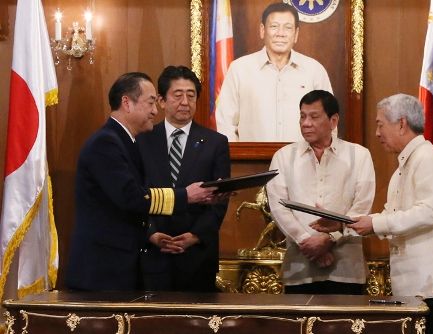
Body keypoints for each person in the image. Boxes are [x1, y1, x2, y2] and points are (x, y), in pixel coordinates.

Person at [333, 94, 433, 334]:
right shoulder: (404, 166)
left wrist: (376, 224)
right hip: (418, 285)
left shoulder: (428, 158)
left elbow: (430, 212)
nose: (377, 133)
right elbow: (390, 217)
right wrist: (340, 225)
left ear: (401, 123)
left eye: (380, 124)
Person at [65, 72, 215, 291]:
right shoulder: (106, 143)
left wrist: (150, 234)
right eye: (151, 102)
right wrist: (186, 196)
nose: (155, 111)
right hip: (102, 272)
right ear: (127, 102)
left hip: (120, 267)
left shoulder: (125, 141)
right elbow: (132, 197)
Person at [266, 90, 375, 294]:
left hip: (345, 269)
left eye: (314, 116)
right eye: (302, 116)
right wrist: (308, 242)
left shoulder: (359, 155)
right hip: (300, 267)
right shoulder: (283, 157)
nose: (306, 123)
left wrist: (329, 238)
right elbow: (278, 207)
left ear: (333, 121)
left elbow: (362, 205)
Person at [138, 66, 231, 292]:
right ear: (161, 100)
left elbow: (220, 200)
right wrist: (150, 233)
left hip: (197, 255)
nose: (185, 102)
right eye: (177, 95)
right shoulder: (142, 139)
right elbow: (136, 193)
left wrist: (196, 235)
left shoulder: (215, 142)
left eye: (191, 95)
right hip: (152, 252)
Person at [216, 2, 332, 142]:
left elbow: (329, 122)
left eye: (288, 28)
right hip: (251, 161)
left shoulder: (314, 71)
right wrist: (236, 160)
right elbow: (226, 123)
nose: (280, 34)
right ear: (262, 30)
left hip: (303, 161)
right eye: (274, 26)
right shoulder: (239, 69)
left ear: (296, 34)